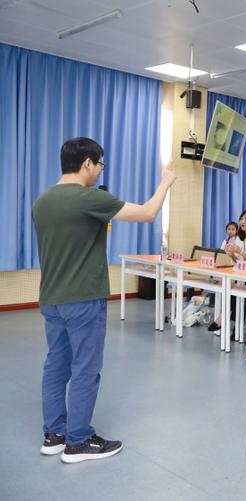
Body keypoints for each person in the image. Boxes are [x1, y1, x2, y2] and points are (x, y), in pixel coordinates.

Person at [33, 137, 176, 463]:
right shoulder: (88, 197)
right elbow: (148, 213)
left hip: (52, 298)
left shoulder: (42, 202)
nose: (99, 171)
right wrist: (166, 181)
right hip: (83, 298)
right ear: (87, 163)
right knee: (86, 368)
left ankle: (54, 435)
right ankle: (78, 441)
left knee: (56, 365)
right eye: (99, 165)